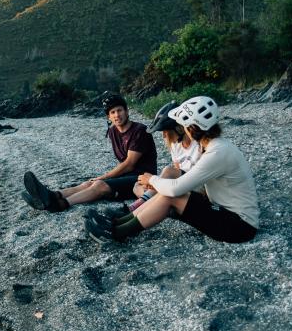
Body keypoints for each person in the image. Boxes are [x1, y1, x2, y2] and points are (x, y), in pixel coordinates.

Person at [85, 95, 259, 245]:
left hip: (240, 227)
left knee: (171, 195)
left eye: (184, 125)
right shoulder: (215, 146)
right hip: (225, 212)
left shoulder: (217, 152)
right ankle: (117, 223)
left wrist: (151, 180)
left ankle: (116, 233)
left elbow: (175, 188)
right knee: (168, 192)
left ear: (192, 128)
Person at [22, 93, 157, 213]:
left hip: (142, 179)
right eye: (113, 112)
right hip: (127, 176)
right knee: (88, 183)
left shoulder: (139, 131)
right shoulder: (113, 131)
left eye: (120, 110)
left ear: (127, 111)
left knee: (99, 184)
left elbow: (129, 164)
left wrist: (104, 177)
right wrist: (102, 178)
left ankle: (61, 204)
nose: (117, 115)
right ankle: (52, 195)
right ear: (108, 116)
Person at [128, 100, 200, 211]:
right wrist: (157, 184)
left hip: (196, 187)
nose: (164, 136)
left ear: (179, 128)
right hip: (180, 185)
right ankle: (155, 202)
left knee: (168, 171)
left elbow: (174, 174)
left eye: (165, 131)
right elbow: (178, 170)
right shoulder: (176, 146)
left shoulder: (199, 145)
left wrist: (158, 182)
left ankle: (133, 208)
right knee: (137, 187)